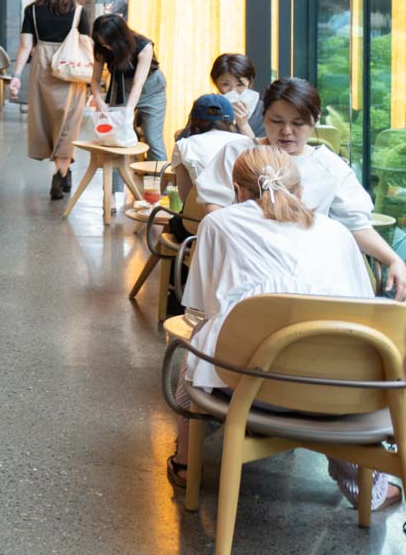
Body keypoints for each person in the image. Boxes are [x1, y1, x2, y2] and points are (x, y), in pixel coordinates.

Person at [168, 145, 394, 508]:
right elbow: (360, 313)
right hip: (338, 396)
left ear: (237, 192)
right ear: (301, 190)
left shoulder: (218, 224)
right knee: (335, 350)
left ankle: (185, 463)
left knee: (197, 342)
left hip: (246, 391)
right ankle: (363, 479)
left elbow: (203, 309)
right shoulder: (337, 233)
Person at [258, 77, 406, 297]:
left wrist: (393, 259)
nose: (286, 131)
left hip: (311, 269)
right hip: (253, 262)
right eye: (276, 121)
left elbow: (357, 225)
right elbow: (218, 215)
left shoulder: (329, 166)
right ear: (264, 118)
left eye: (298, 123)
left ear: (315, 120)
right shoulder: (240, 154)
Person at [7, 0, 92, 200]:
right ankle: (61, 171)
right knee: (68, 124)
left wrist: (15, 76)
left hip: (42, 68)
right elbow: (87, 46)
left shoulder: (32, 11)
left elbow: (25, 46)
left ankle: (64, 171)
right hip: (71, 70)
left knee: (46, 120)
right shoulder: (79, 12)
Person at [168, 93, 254, 231]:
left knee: (173, 223)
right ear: (230, 120)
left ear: (194, 120)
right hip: (245, 225)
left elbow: (186, 198)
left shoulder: (184, 145)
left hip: (199, 224)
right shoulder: (246, 143)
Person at [88, 13, 166, 161]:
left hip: (152, 89)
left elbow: (138, 84)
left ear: (120, 38)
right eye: (103, 44)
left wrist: (128, 112)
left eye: (109, 44)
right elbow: (95, 80)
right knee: (116, 140)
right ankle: (113, 185)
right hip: (121, 88)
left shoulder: (144, 46)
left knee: (153, 140)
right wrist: (98, 100)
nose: (107, 47)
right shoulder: (101, 47)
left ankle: (158, 184)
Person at [210, 52, 261, 132]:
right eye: (225, 84)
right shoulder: (205, 107)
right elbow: (189, 139)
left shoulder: (265, 112)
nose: (233, 91)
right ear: (216, 83)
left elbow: (259, 145)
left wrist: (244, 125)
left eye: (240, 84)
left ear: (250, 83)